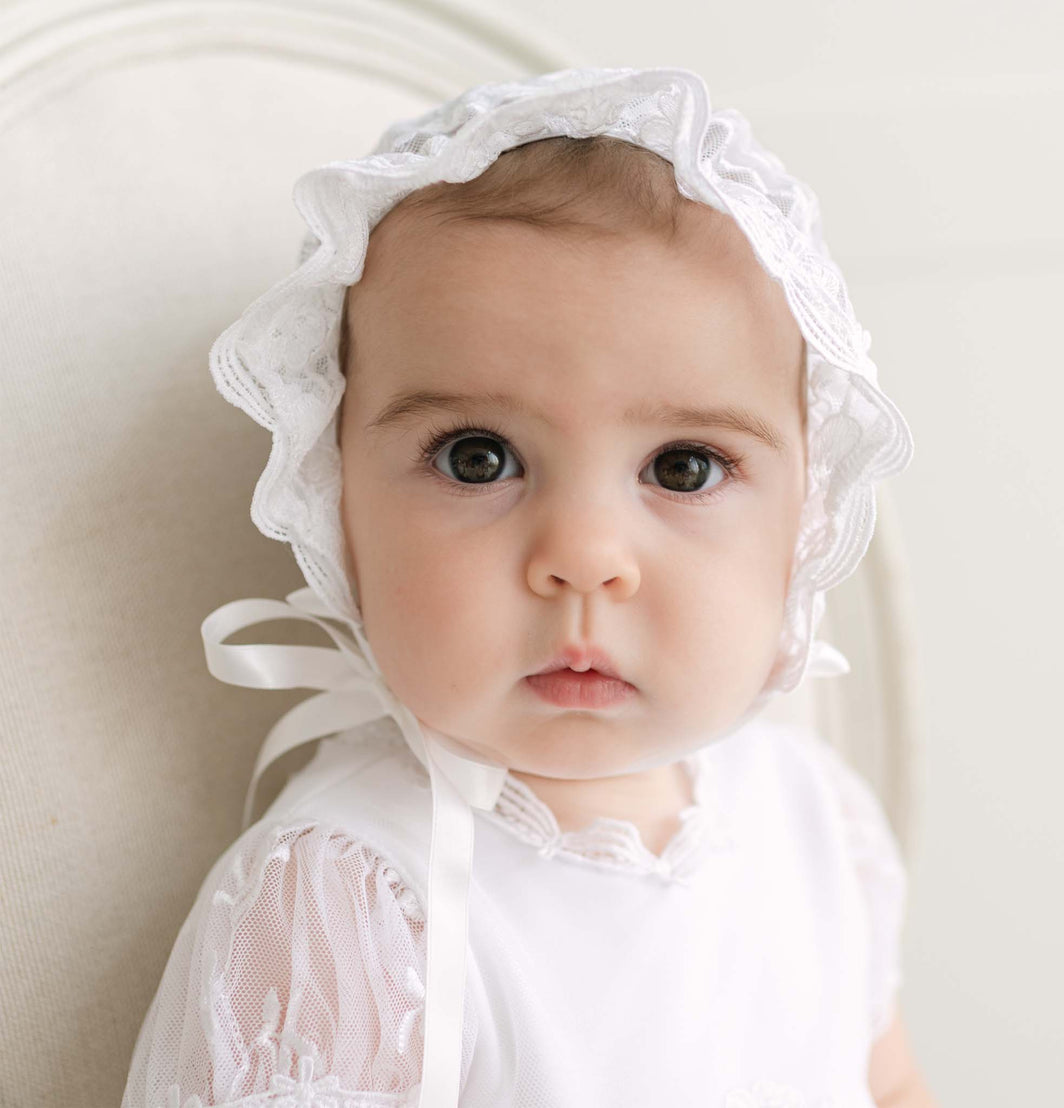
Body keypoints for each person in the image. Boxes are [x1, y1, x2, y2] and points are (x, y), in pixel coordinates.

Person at [121, 66, 937, 1108]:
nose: (585, 554)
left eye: (682, 466)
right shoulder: (355, 896)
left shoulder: (814, 816)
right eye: (476, 457)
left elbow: (892, 1084)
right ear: (334, 502)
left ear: (804, 517)